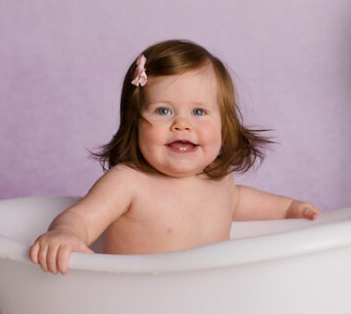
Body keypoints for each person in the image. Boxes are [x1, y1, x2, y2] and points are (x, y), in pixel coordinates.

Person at [30, 39, 321, 274]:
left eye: (198, 112)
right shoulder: (128, 183)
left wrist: (291, 210)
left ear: (224, 125)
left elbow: (249, 201)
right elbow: (81, 218)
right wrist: (65, 234)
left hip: (203, 304)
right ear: (135, 123)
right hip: (135, 305)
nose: (182, 124)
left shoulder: (222, 184)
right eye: (163, 111)